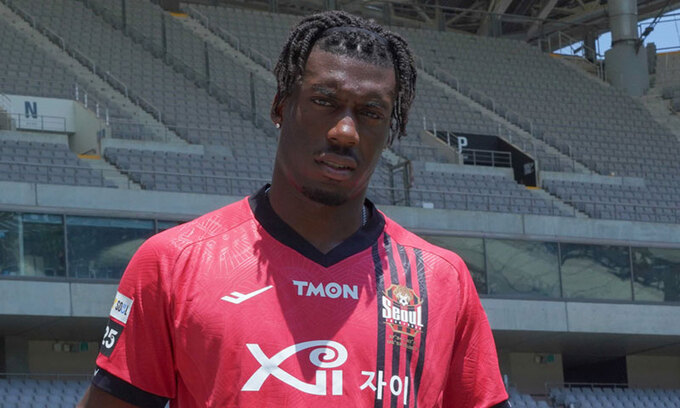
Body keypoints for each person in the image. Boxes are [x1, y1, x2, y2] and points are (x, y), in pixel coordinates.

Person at [78, 10, 509, 408]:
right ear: (280, 106)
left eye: (371, 112)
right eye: (324, 100)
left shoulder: (441, 281)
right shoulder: (174, 262)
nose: (345, 132)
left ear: (390, 129)